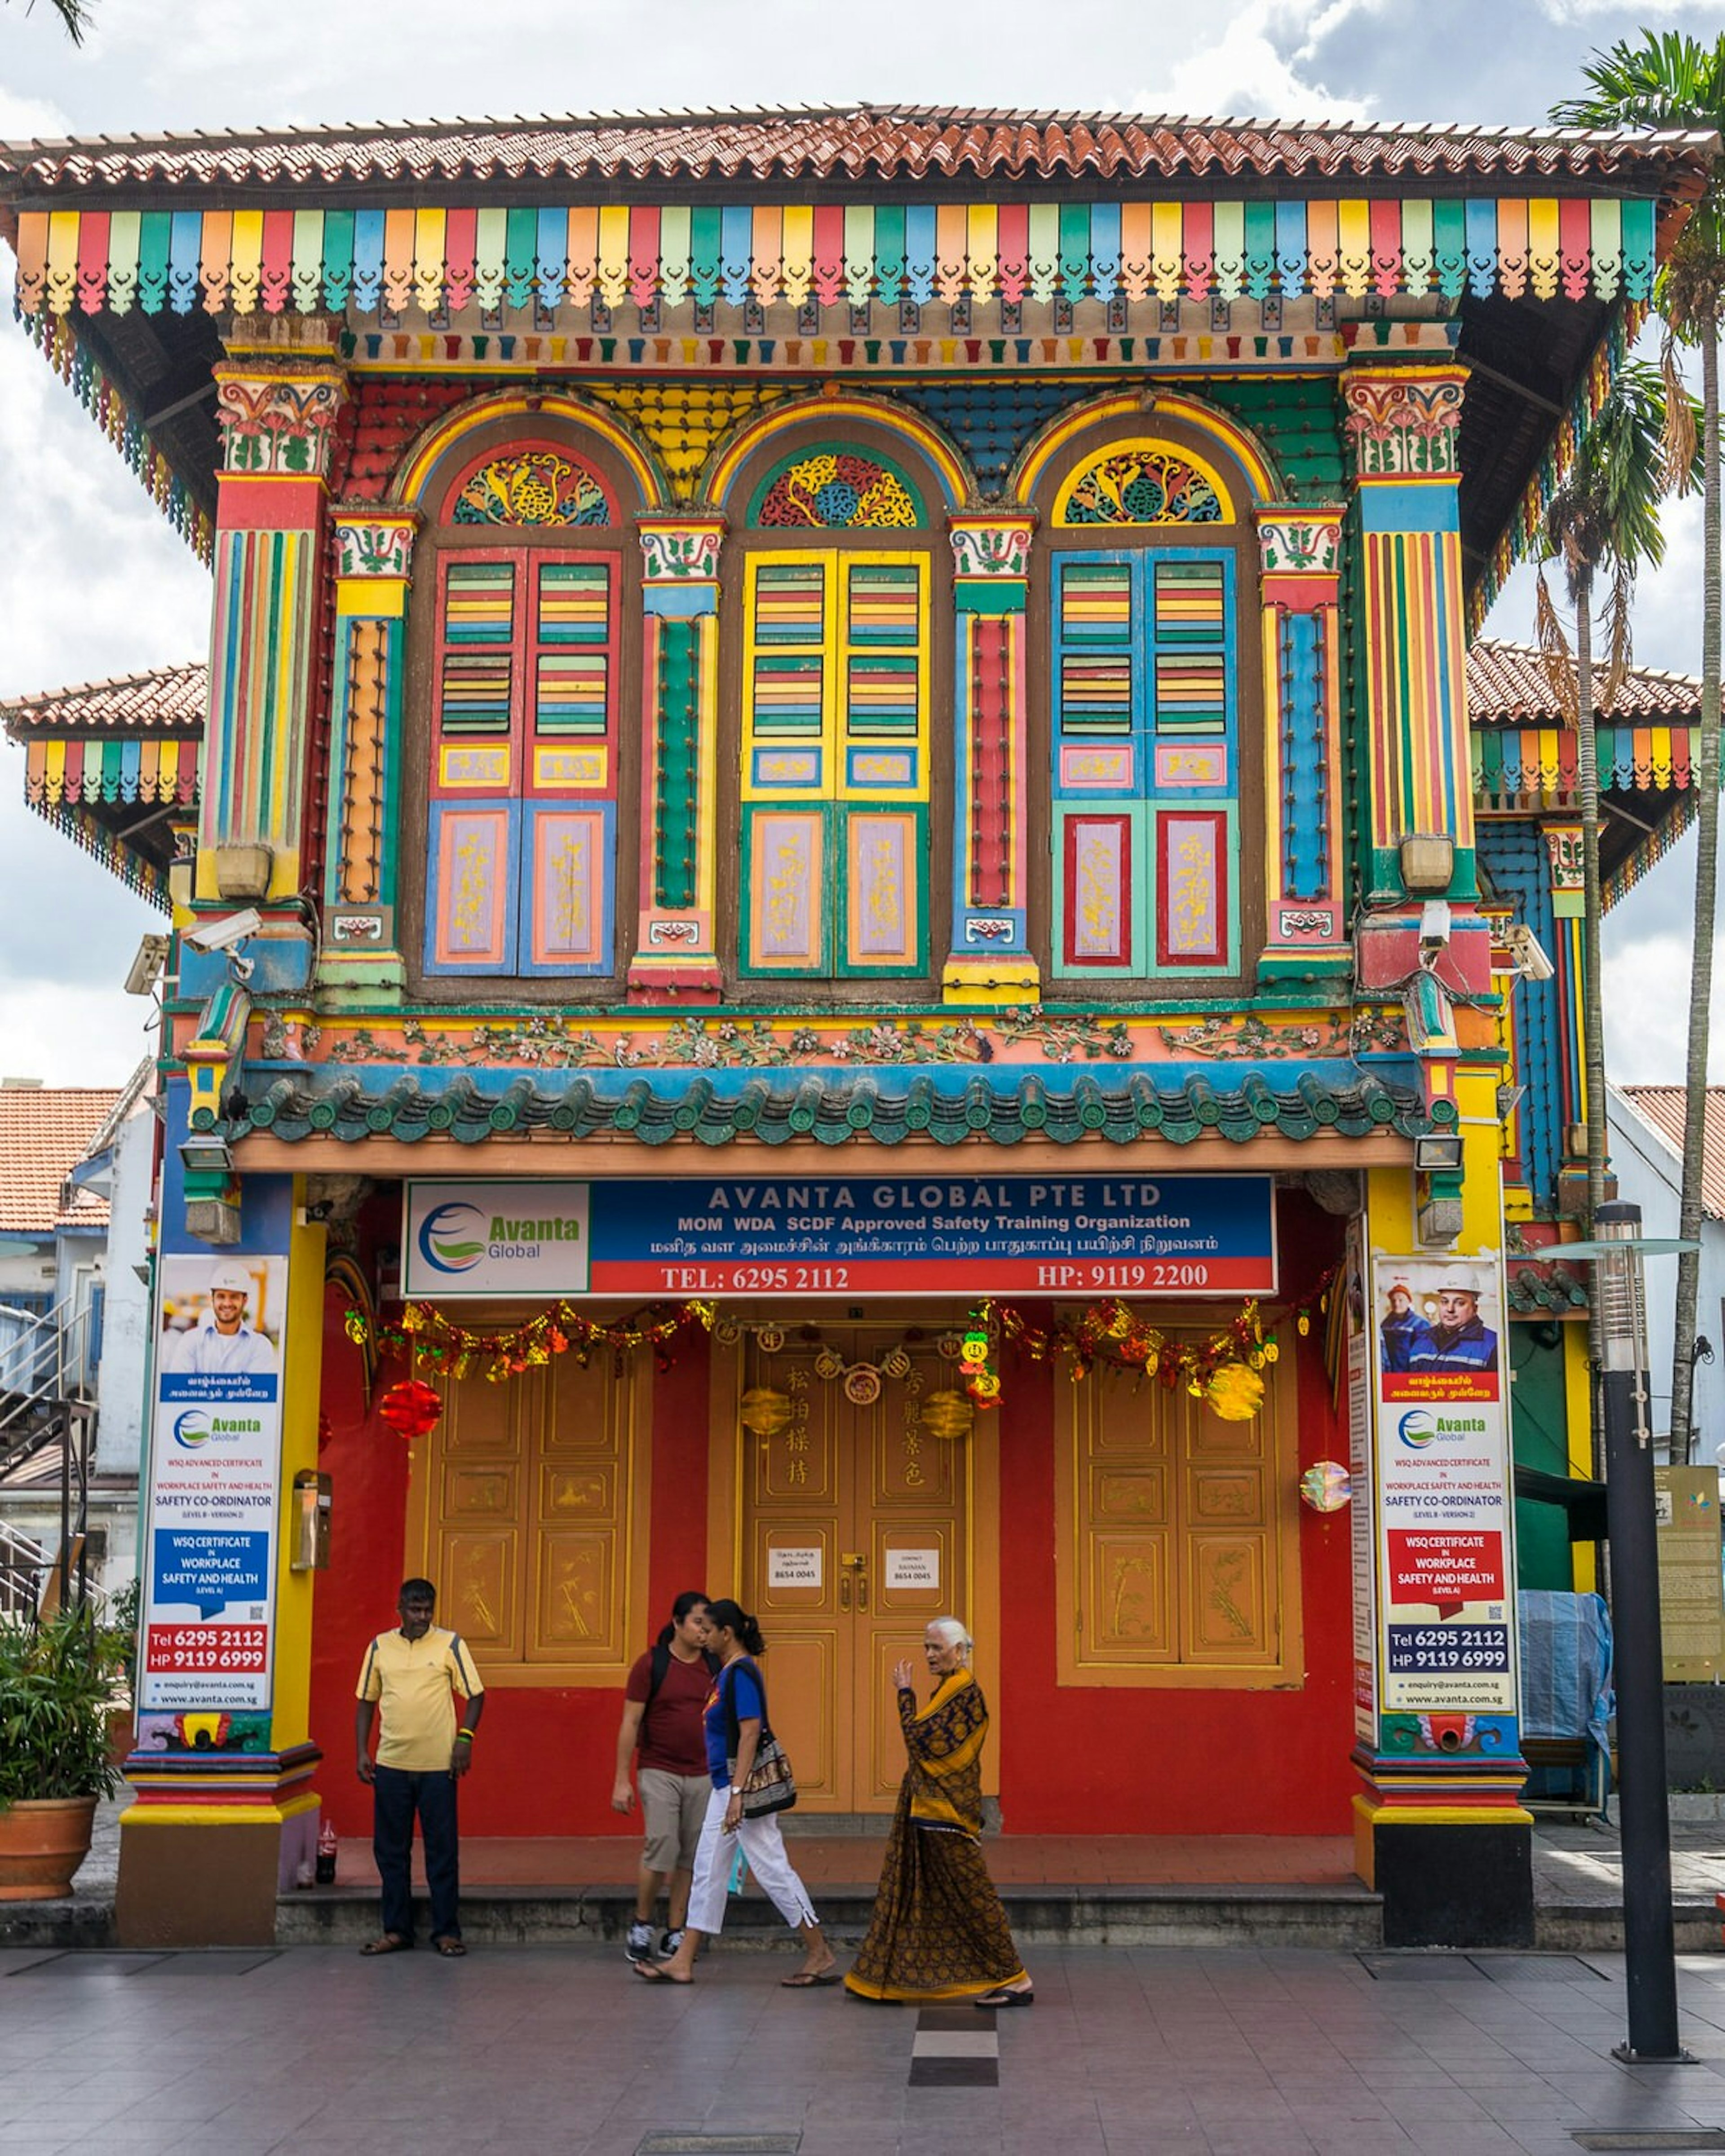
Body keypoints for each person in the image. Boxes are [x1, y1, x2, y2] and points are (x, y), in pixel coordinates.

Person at [635, 1599, 836, 1989]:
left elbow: (750, 1731)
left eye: (708, 1630)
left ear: (726, 1633)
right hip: (723, 1787)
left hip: (738, 1790)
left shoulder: (740, 1674)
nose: (702, 1636)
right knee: (709, 1869)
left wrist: (738, 1794)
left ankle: (819, 1950)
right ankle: (684, 1960)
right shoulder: (725, 1672)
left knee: (772, 1868)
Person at [845, 1617, 1032, 2008]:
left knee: (972, 1895)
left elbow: (920, 1741)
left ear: (960, 1652)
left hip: (949, 1814)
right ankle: (885, 1979)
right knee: (908, 1889)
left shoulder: (964, 1692)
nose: (929, 1655)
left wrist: (904, 1695)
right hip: (929, 1807)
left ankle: (1015, 1979)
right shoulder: (949, 1690)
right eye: (927, 1647)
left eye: (937, 1648)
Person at [354, 1577, 484, 1958]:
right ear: (400, 1608)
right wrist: (362, 1750)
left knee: (442, 1851)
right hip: (391, 1764)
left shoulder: (450, 1644)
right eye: (415, 1610)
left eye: (427, 1610)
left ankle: (447, 1932)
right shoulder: (380, 1646)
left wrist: (465, 1740)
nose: (422, 1617)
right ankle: (397, 1930)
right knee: (391, 1852)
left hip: (438, 1767)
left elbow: (477, 1695)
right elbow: (366, 1700)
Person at [612, 1590, 718, 1964]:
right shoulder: (651, 1664)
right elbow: (630, 1721)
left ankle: (676, 1930)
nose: (704, 1631)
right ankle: (642, 1923)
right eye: (697, 1623)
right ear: (676, 1623)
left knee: (690, 1856)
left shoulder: (715, 1666)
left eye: (708, 1625)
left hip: (704, 1774)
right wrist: (621, 1779)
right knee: (661, 1844)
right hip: (660, 1769)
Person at [167, 1262, 279, 1378]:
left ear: (245, 1300)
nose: (227, 1303)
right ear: (212, 1299)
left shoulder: (260, 1346)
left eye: (234, 1297)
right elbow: (179, 1389)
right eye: (221, 1296)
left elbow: (258, 1392)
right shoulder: (190, 1341)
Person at [1409, 1272, 1499, 1376]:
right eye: (1445, 1302)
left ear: (1475, 1309)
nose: (1450, 1309)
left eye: (1460, 1303)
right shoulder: (1421, 1341)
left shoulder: (1493, 1344)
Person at [1379, 1281, 1432, 1374]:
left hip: (1409, 1376)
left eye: (1401, 1300)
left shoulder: (1420, 1324)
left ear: (1409, 1301)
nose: (1397, 1304)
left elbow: (1424, 1355)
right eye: (1393, 1301)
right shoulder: (1385, 1324)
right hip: (1387, 1375)